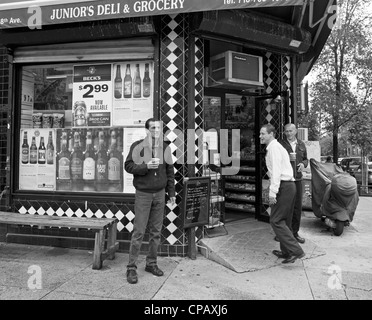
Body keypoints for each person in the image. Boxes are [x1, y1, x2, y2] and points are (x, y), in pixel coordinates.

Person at [124, 118, 176, 284]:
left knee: (155, 232)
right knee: (139, 231)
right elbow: (128, 166)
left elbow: (170, 173)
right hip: (143, 194)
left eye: (159, 128)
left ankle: (151, 263)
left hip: (160, 194)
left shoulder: (165, 148)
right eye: (153, 127)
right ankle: (131, 267)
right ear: (147, 130)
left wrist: (172, 193)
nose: (156, 130)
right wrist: (146, 166)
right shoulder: (137, 147)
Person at [260, 124, 305, 264]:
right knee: (284, 220)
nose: (260, 136)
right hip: (288, 186)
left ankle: (295, 251)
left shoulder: (274, 148)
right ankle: (286, 251)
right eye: (260, 134)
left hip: (284, 186)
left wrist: (272, 193)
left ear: (271, 134)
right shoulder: (277, 147)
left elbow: (277, 172)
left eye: (263, 134)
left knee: (276, 220)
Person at [278, 123, 308, 244]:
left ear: (296, 131)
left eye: (291, 131)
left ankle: (294, 233)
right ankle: (284, 234)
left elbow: (306, 159)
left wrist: (303, 164)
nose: (289, 133)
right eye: (286, 131)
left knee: (297, 208)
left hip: (298, 180)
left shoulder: (301, 144)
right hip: (286, 180)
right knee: (285, 207)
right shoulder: (281, 144)